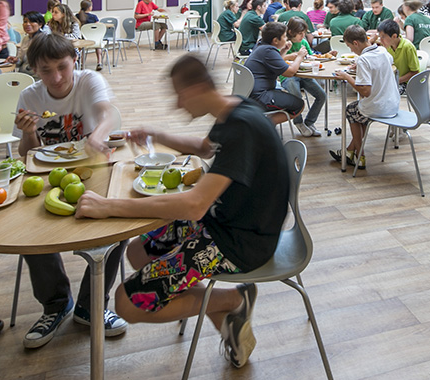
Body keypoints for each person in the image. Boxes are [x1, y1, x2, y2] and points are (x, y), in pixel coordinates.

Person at [73, 53, 288, 369]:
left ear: (198, 88)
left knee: (127, 303)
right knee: (138, 252)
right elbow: (204, 148)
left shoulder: (242, 127)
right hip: (222, 223)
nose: (177, 104)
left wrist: (110, 207)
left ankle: (234, 299)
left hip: (242, 242)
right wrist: (156, 135)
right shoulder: (235, 109)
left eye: (180, 95)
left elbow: (194, 205)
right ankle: (224, 314)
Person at [12, 34, 125, 348]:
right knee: (27, 229)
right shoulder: (30, 96)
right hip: (48, 177)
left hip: (93, 171)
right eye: (46, 71)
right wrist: (29, 132)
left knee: (120, 223)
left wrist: (98, 135)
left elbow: (106, 113)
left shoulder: (88, 81)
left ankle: (91, 305)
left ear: (74, 60)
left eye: (62, 67)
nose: (57, 78)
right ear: (35, 70)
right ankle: (56, 304)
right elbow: (27, 154)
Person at [331, 24, 399, 170]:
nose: (351, 50)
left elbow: (365, 92)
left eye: (350, 46)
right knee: (359, 115)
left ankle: (360, 155)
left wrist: (347, 77)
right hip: (393, 103)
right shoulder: (382, 50)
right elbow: (384, 64)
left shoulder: (363, 59)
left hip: (378, 107)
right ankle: (349, 151)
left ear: (356, 43)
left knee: (351, 110)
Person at [243, 22, 305, 123]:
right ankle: (265, 125)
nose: (286, 39)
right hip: (260, 97)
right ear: (275, 40)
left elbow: (274, 62)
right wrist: (299, 57)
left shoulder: (261, 45)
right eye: (284, 37)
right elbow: (290, 72)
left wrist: (284, 50)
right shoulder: (268, 51)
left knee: (286, 97)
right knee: (299, 105)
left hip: (250, 93)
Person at [280, 18, 327, 137]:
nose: (302, 36)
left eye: (304, 33)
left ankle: (309, 122)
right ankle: (299, 122)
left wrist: (322, 56)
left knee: (322, 96)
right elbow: (277, 59)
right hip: (288, 76)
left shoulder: (304, 42)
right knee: (297, 97)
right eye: (300, 33)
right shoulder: (284, 43)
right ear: (291, 32)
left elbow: (311, 57)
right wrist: (291, 56)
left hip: (305, 74)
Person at [377, 18, 420, 94]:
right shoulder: (388, 46)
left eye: (383, 37)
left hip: (407, 82)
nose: (380, 40)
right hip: (394, 79)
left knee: (383, 92)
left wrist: (396, 80)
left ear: (394, 36)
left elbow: (415, 72)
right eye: (379, 37)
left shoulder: (407, 47)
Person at [14, 10, 49, 75]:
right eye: (25, 22)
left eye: (32, 21)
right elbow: (20, 59)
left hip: (37, 75)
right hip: (23, 73)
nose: (27, 24)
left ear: (40, 24)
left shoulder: (44, 40)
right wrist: (15, 60)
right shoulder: (25, 39)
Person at [76, 0, 104, 71]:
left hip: (82, 40)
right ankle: (99, 62)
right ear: (89, 7)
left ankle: (81, 63)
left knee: (81, 48)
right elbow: (98, 28)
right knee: (98, 44)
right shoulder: (94, 17)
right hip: (94, 40)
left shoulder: (77, 16)